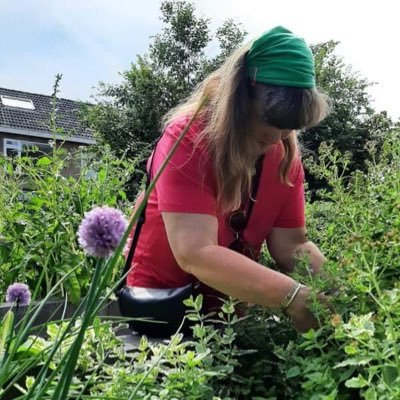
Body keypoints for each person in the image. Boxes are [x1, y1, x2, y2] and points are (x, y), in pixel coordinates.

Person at [124, 26, 330, 337]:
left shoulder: (284, 157)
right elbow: (195, 252)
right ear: (240, 99)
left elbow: (292, 245)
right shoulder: (189, 139)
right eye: (269, 119)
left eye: (288, 127)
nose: (275, 137)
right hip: (164, 310)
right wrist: (292, 297)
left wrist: (345, 288)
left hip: (228, 315)